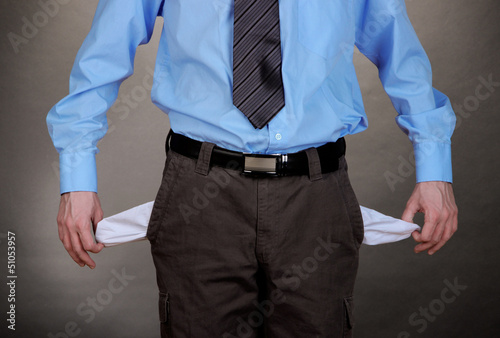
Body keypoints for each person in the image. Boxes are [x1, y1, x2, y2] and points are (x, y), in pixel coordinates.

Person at [46, 0, 458, 336]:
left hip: (316, 198)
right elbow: (103, 55)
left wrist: (434, 166)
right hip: (200, 193)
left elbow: (398, 49)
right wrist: (77, 178)